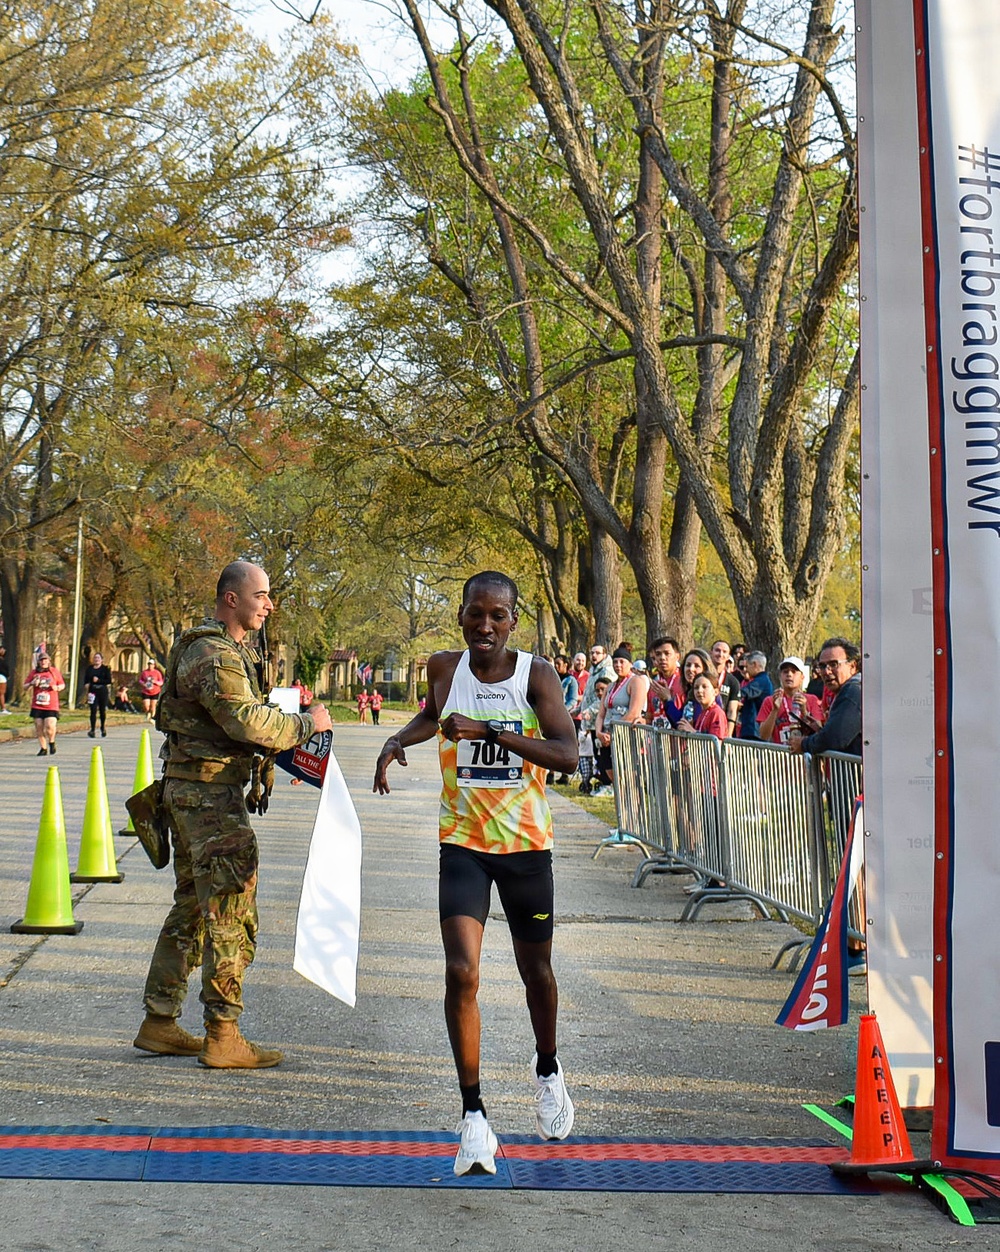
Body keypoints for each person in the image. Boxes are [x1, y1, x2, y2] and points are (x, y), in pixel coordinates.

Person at [373, 571, 579, 1177]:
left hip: (525, 847)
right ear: (460, 615)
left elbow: (568, 756)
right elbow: (434, 717)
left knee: (536, 971)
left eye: (497, 616)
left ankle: (548, 1070)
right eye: (475, 614)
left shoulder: (535, 676)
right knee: (461, 972)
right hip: (463, 842)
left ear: (513, 620)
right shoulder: (443, 667)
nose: (485, 626)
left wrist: (491, 732)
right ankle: (473, 1116)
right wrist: (396, 740)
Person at [134, 561, 333, 1069]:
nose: (268, 605)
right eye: (260, 595)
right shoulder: (214, 653)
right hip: (209, 801)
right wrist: (306, 724)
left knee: (191, 908)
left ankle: (159, 1021)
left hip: (194, 793)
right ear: (231, 599)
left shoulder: (224, 649)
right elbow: (244, 721)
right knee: (229, 912)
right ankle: (223, 1034)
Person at [789, 638, 862, 757]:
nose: (827, 671)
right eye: (822, 666)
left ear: (852, 666)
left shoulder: (853, 691)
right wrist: (820, 730)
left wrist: (803, 744)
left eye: (833, 664)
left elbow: (836, 739)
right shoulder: (849, 689)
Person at [594, 647, 650, 791]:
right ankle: (620, 804)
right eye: (615, 662)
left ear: (630, 664)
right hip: (607, 736)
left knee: (627, 779)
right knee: (613, 776)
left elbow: (634, 712)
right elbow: (601, 714)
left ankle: (633, 804)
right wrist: (599, 733)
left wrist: (613, 733)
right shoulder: (610, 686)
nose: (618, 665)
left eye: (622, 662)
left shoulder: (636, 682)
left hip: (625, 735)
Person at [757, 656, 825, 747]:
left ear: (802, 677)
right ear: (780, 676)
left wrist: (804, 712)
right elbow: (763, 736)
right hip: (780, 753)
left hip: (804, 752)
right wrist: (775, 710)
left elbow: (819, 732)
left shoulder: (811, 699)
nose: (789, 674)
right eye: (785, 671)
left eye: (794, 671)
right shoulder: (770, 700)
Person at [23, 653, 65, 755]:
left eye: (45, 660)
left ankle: (51, 742)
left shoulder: (54, 671)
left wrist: (57, 688)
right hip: (37, 704)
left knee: (50, 726)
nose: (43, 662)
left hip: (51, 704)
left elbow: (62, 684)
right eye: (41, 660)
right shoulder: (34, 672)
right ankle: (43, 748)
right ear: (38, 662)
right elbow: (25, 686)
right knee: (39, 726)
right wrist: (32, 683)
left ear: (49, 661)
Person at [646, 636, 684, 728]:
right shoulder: (655, 683)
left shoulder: (684, 681)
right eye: (658, 654)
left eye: (667, 653)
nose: (662, 658)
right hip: (657, 734)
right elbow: (649, 716)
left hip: (677, 734)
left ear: (677, 656)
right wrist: (641, 721)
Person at [677, 671, 728, 740]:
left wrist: (693, 732)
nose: (699, 690)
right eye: (696, 687)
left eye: (704, 687)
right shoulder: (702, 713)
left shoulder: (717, 713)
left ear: (715, 692)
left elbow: (716, 742)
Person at [736, 651, 772, 741]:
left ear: (754, 664)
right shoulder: (762, 680)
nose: (746, 670)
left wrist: (732, 694)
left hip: (754, 730)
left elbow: (744, 692)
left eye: (747, 666)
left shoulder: (760, 681)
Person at [710, 640, 742, 736]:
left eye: (724, 652)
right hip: (703, 724)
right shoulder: (702, 677)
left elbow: (732, 711)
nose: (720, 654)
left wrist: (728, 736)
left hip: (721, 727)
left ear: (728, 656)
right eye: (717, 650)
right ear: (711, 652)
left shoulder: (733, 681)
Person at [83, 651, 113, 738]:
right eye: (95, 658)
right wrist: (86, 684)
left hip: (102, 691)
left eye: (98, 658)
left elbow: (109, 681)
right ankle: (92, 730)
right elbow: (86, 679)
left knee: (102, 710)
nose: (96, 659)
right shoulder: (90, 669)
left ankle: (102, 727)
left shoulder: (105, 669)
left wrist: (99, 680)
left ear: (102, 660)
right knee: (93, 710)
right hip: (92, 691)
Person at [0, 644, 8, 713]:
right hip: (2, 677)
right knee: (2, 693)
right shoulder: (2, 661)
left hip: (3, 676)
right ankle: (3, 708)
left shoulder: (3, 659)